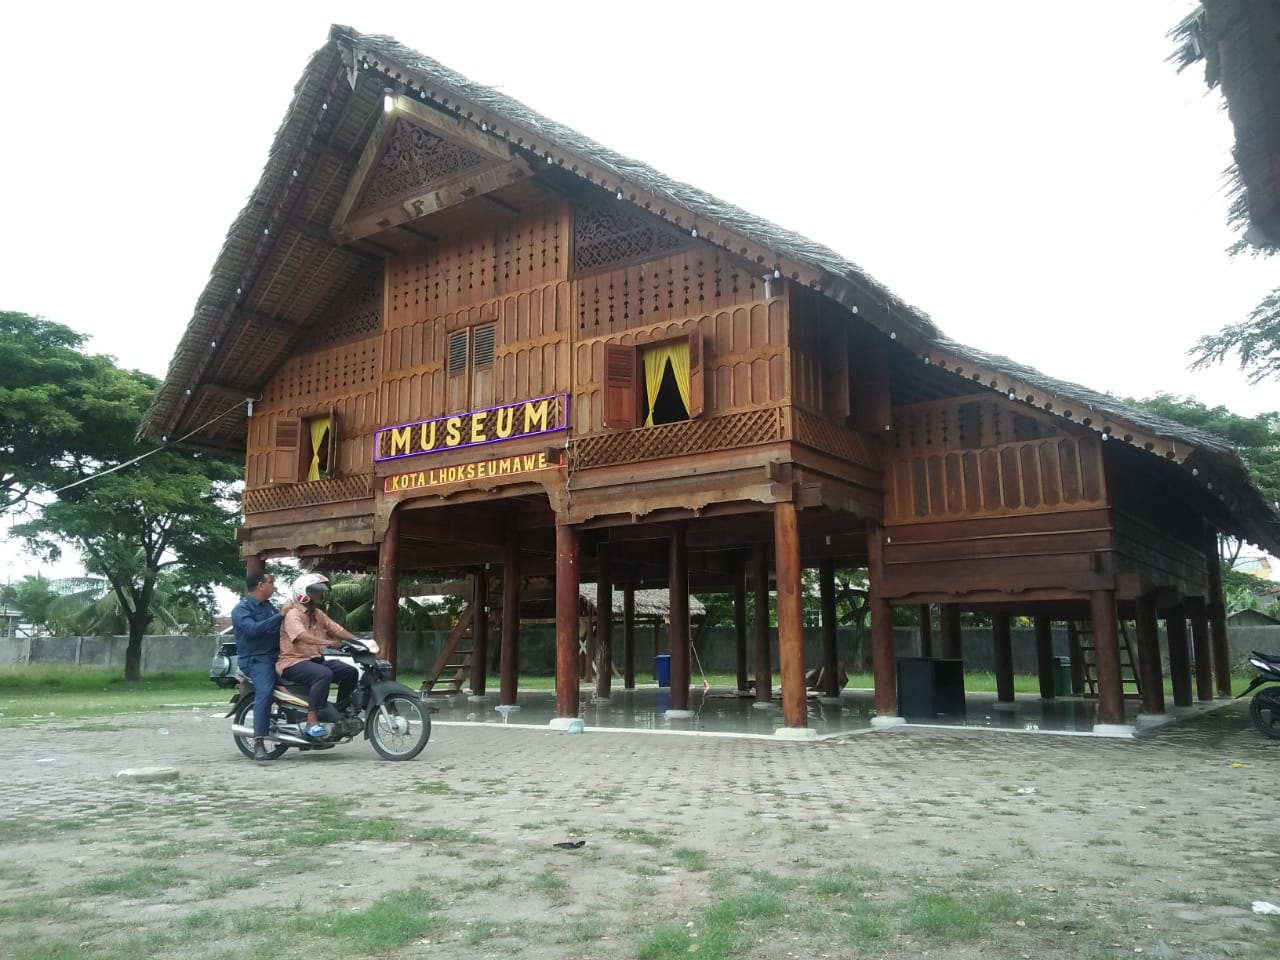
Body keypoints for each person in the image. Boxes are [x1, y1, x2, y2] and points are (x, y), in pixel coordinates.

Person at [278, 573, 358, 739]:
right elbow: (301, 636)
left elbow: (336, 629)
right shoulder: (293, 614)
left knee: (350, 672)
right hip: (292, 662)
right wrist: (328, 642)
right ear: (304, 592)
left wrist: (358, 642)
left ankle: (338, 712)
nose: (321, 594)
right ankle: (311, 721)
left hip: (314, 660)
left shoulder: (318, 614)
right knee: (323, 674)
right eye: (316, 591)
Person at [230, 569, 283, 762]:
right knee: (265, 692)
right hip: (256, 659)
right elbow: (252, 630)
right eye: (271, 582)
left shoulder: (269, 606)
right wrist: (281, 616)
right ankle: (259, 742)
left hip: (277, 656)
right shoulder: (241, 609)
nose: (274, 586)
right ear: (261, 585)